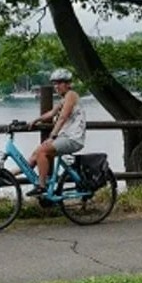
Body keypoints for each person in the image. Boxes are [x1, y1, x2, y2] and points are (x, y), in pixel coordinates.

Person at [26, 68, 86, 196]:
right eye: (54, 83)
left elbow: (63, 117)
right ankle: (10, 176)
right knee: (35, 154)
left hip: (73, 138)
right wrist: (36, 120)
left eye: (59, 83)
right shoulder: (64, 99)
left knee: (42, 151)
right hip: (65, 137)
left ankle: (41, 187)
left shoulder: (71, 95)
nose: (56, 86)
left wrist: (52, 136)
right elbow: (52, 113)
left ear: (68, 83)